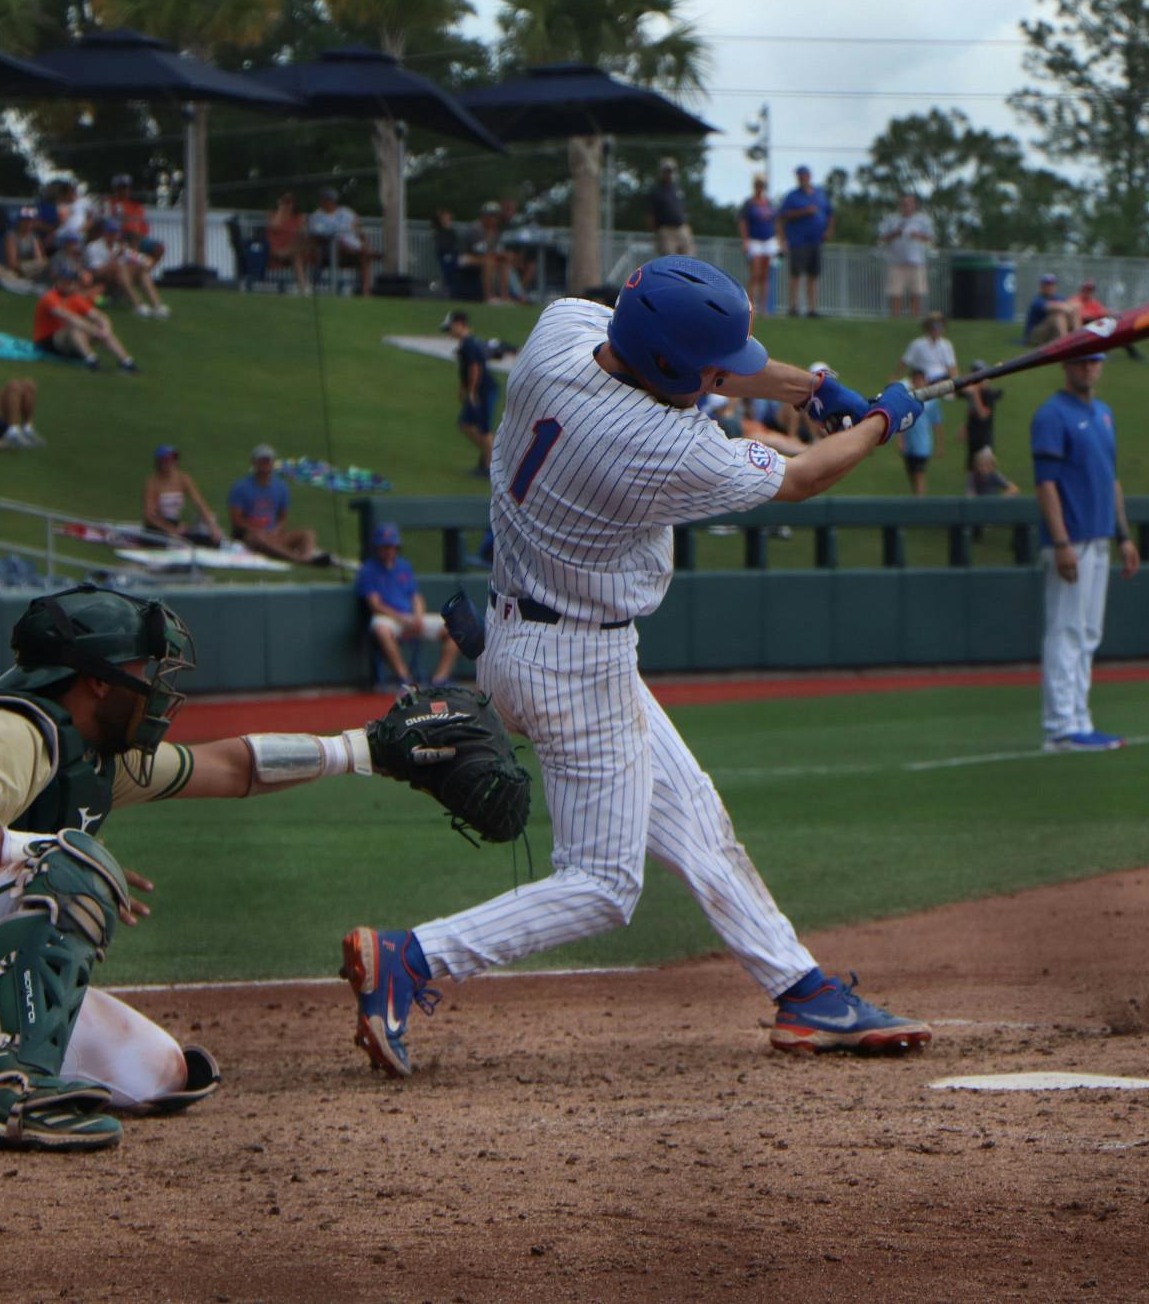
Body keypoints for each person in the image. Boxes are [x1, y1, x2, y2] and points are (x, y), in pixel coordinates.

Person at [337, 254, 934, 1075]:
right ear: (673, 369)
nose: (722, 380)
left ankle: (804, 991)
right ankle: (412, 957)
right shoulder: (657, 445)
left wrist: (812, 388)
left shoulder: (563, 328)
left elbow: (704, 368)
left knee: (694, 816)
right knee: (602, 884)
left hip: (534, 636)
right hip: (574, 664)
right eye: (712, 371)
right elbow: (798, 476)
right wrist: (881, 424)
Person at [0, 583, 441, 1151]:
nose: (156, 685)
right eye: (144, 667)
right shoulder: (9, 731)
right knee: (70, 863)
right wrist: (50, 853)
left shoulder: (96, 755)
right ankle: (10, 1094)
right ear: (99, 679)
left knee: (162, 1073)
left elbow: (230, 767)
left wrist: (363, 750)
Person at [1031, 351, 1136, 752]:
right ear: (1066, 365)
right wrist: (1060, 542)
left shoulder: (1104, 412)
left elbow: (1112, 479)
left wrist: (1123, 535)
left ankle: (1079, 719)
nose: (1088, 368)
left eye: (1094, 361)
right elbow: (1046, 484)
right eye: (1080, 361)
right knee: (1066, 630)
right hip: (1071, 538)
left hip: (1100, 534)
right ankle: (1060, 726)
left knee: (1089, 632)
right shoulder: (1052, 414)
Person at [354, 523, 460, 689]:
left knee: (455, 627)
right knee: (381, 629)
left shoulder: (404, 565)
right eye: (385, 547)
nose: (389, 551)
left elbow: (416, 597)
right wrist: (402, 619)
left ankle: (439, 678)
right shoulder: (368, 570)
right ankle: (405, 679)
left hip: (411, 617)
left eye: (392, 547)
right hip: (388, 618)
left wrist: (417, 617)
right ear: (378, 548)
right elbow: (375, 605)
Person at [228, 443, 330, 566]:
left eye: (268, 460)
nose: (266, 464)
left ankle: (306, 556)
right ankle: (300, 559)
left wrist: (276, 531)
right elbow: (237, 521)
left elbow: (282, 518)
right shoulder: (241, 487)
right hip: (252, 536)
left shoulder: (281, 487)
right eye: (262, 461)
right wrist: (257, 530)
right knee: (257, 538)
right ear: (254, 463)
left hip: (273, 535)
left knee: (308, 534)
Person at [33, 265, 138, 373]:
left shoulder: (75, 298)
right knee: (75, 329)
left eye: (71, 282)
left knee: (100, 328)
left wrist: (105, 329)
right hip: (47, 341)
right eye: (65, 281)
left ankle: (127, 361)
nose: (69, 285)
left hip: (66, 340)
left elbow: (99, 316)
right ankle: (92, 360)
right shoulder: (49, 298)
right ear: (58, 281)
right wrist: (94, 331)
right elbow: (69, 317)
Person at [899, 311, 956, 495]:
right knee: (912, 472)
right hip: (920, 379)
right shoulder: (918, 345)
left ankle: (920, 500)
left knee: (918, 473)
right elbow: (905, 362)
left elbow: (952, 367)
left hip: (936, 381)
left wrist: (956, 383)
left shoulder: (946, 345)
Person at [443, 309, 499, 477]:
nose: (449, 332)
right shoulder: (468, 344)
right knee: (465, 424)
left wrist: (472, 391)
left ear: (459, 325)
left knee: (483, 429)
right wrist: (463, 388)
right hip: (479, 390)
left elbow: (475, 368)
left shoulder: (469, 344)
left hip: (484, 391)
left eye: (450, 327)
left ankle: (489, 466)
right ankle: (490, 456)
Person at [778, 166, 832, 317]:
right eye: (799, 176)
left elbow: (830, 213)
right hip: (798, 241)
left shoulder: (820, 194)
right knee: (796, 274)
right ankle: (793, 307)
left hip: (816, 241)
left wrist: (828, 230)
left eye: (804, 175)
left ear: (809, 176)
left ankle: (812, 309)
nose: (802, 178)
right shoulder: (792, 196)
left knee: (813, 275)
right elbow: (783, 215)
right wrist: (804, 211)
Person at [142, 445, 222, 546]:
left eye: (173, 459)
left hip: (174, 523)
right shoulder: (152, 484)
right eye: (166, 460)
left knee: (209, 541)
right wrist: (171, 530)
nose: (170, 463)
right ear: (159, 462)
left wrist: (212, 526)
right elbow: (150, 516)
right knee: (172, 542)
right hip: (158, 527)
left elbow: (199, 504)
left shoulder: (183, 479)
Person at [307, 187, 375, 296]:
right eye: (325, 199)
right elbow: (315, 235)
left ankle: (366, 291)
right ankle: (362, 251)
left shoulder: (345, 212)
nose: (327, 202)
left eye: (329, 199)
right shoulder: (317, 216)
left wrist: (358, 231)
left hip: (349, 245)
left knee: (364, 256)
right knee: (342, 244)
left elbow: (357, 224)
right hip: (327, 248)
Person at [877, 192, 934, 317]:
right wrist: (896, 233)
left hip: (916, 261)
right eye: (903, 204)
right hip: (896, 261)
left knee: (916, 292)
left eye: (909, 204)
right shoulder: (892, 219)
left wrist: (918, 235)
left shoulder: (922, 220)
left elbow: (930, 238)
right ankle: (895, 316)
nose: (906, 206)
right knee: (895, 292)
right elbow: (883, 237)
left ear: (914, 205)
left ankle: (915, 316)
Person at [104, 174, 167, 284]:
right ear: (115, 189)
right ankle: (134, 275)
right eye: (120, 187)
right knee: (131, 242)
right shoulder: (110, 204)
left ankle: (140, 274)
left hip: (137, 238)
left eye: (126, 188)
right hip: (120, 237)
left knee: (159, 247)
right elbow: (109, 223)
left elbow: (142, 226)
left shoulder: (136, 205)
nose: (124, 191)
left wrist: (138, 234)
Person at [736, 174, 779, 311]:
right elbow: (743, 222)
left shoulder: (769, 203)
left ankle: (764, 308)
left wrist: (779, 239)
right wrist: (745, 240)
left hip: (768, 241)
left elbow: (776, 222)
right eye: (758, 185)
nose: (760, 188)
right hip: (754, 241)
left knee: (765, 276)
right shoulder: (749, 204)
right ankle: (750, 306)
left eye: (762, 185)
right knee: (755, 274)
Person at [960, 364, 1004, 495]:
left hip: (984, 441)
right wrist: (965, 427)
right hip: (973, 440)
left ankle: (987, 499)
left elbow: (983, 415)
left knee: (986, 474)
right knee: (971, 476)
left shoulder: (987, 394)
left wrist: (975, 393)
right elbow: (971, 413)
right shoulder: (973, 395)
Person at [1074, 280, 1145, 361]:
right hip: (1084, 328)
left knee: (1118, 331)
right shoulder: (1076, 300)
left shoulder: (1094, 303)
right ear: (1082, 290)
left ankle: (1133, 352)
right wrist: (1101, 315)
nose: (1088, 292)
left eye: (1091, 290)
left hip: (1097, 325)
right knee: (1110, 331)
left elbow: (1103, 311)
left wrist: (1116, 314)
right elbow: (1084, 316)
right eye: (1087, 289)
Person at [266, 192, 311, 295]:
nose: (288, 204)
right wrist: (281, 209)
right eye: (285, 201)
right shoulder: (273, 214)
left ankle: (303, 286)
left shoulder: (298, 217)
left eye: (290, 202)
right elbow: (274, 226)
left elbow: (304, 233)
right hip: (276, 251)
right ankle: (304, 286)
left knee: (298, 253)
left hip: (295, 250)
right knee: (297, 255)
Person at [648, 157, 692, 257]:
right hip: (666, 230)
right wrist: (655, 233)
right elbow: (651, 215)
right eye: (666, 171)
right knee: (670, 258)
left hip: (681, 228)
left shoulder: (678, 189)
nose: (669, 174)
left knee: (689, 258)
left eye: (671, 171)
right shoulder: (657, 191)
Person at [1024, 273, 1078, 344]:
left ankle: (1078, 339)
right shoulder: (1037, 300)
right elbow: (1052, 306)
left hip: (1049, 333)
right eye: (1047, 284)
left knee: (1074, 311)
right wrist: (1067, 307)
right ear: (1042, 286)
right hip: (1034, 335)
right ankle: (1066, 343)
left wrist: (1071, 308)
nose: (1050, 287)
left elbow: (1074, 306)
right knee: (1058, 316)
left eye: (1052, 284)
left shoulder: (1057, 297)